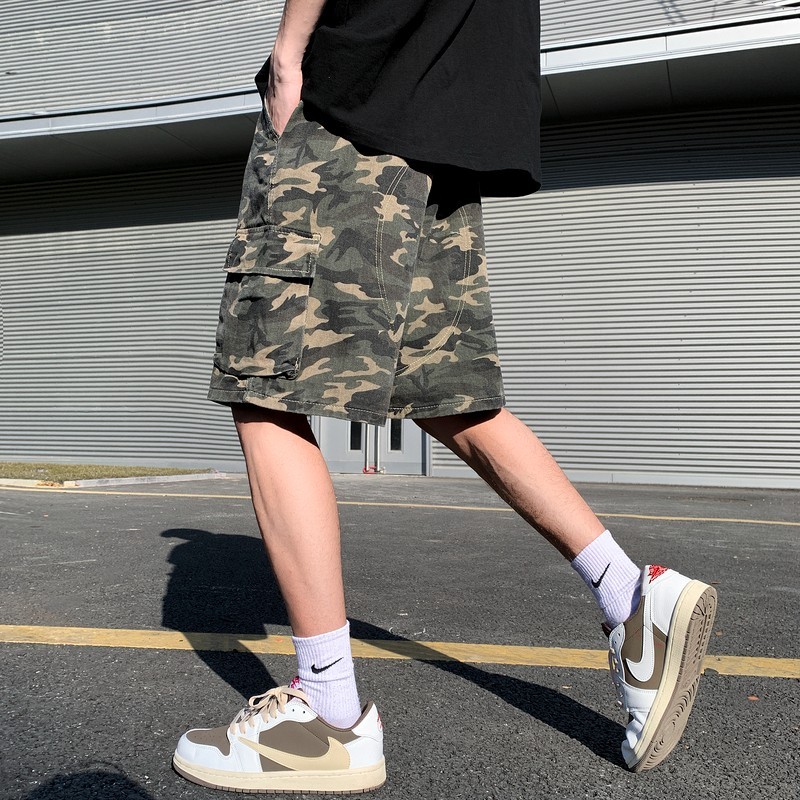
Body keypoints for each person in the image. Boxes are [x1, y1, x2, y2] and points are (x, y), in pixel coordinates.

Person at [172, 0, 718, 792]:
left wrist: (289, 54)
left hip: (352, 104)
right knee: (446, 394)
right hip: (450, 120)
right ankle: (631, 596)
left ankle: (327, 713)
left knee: (268, 389)